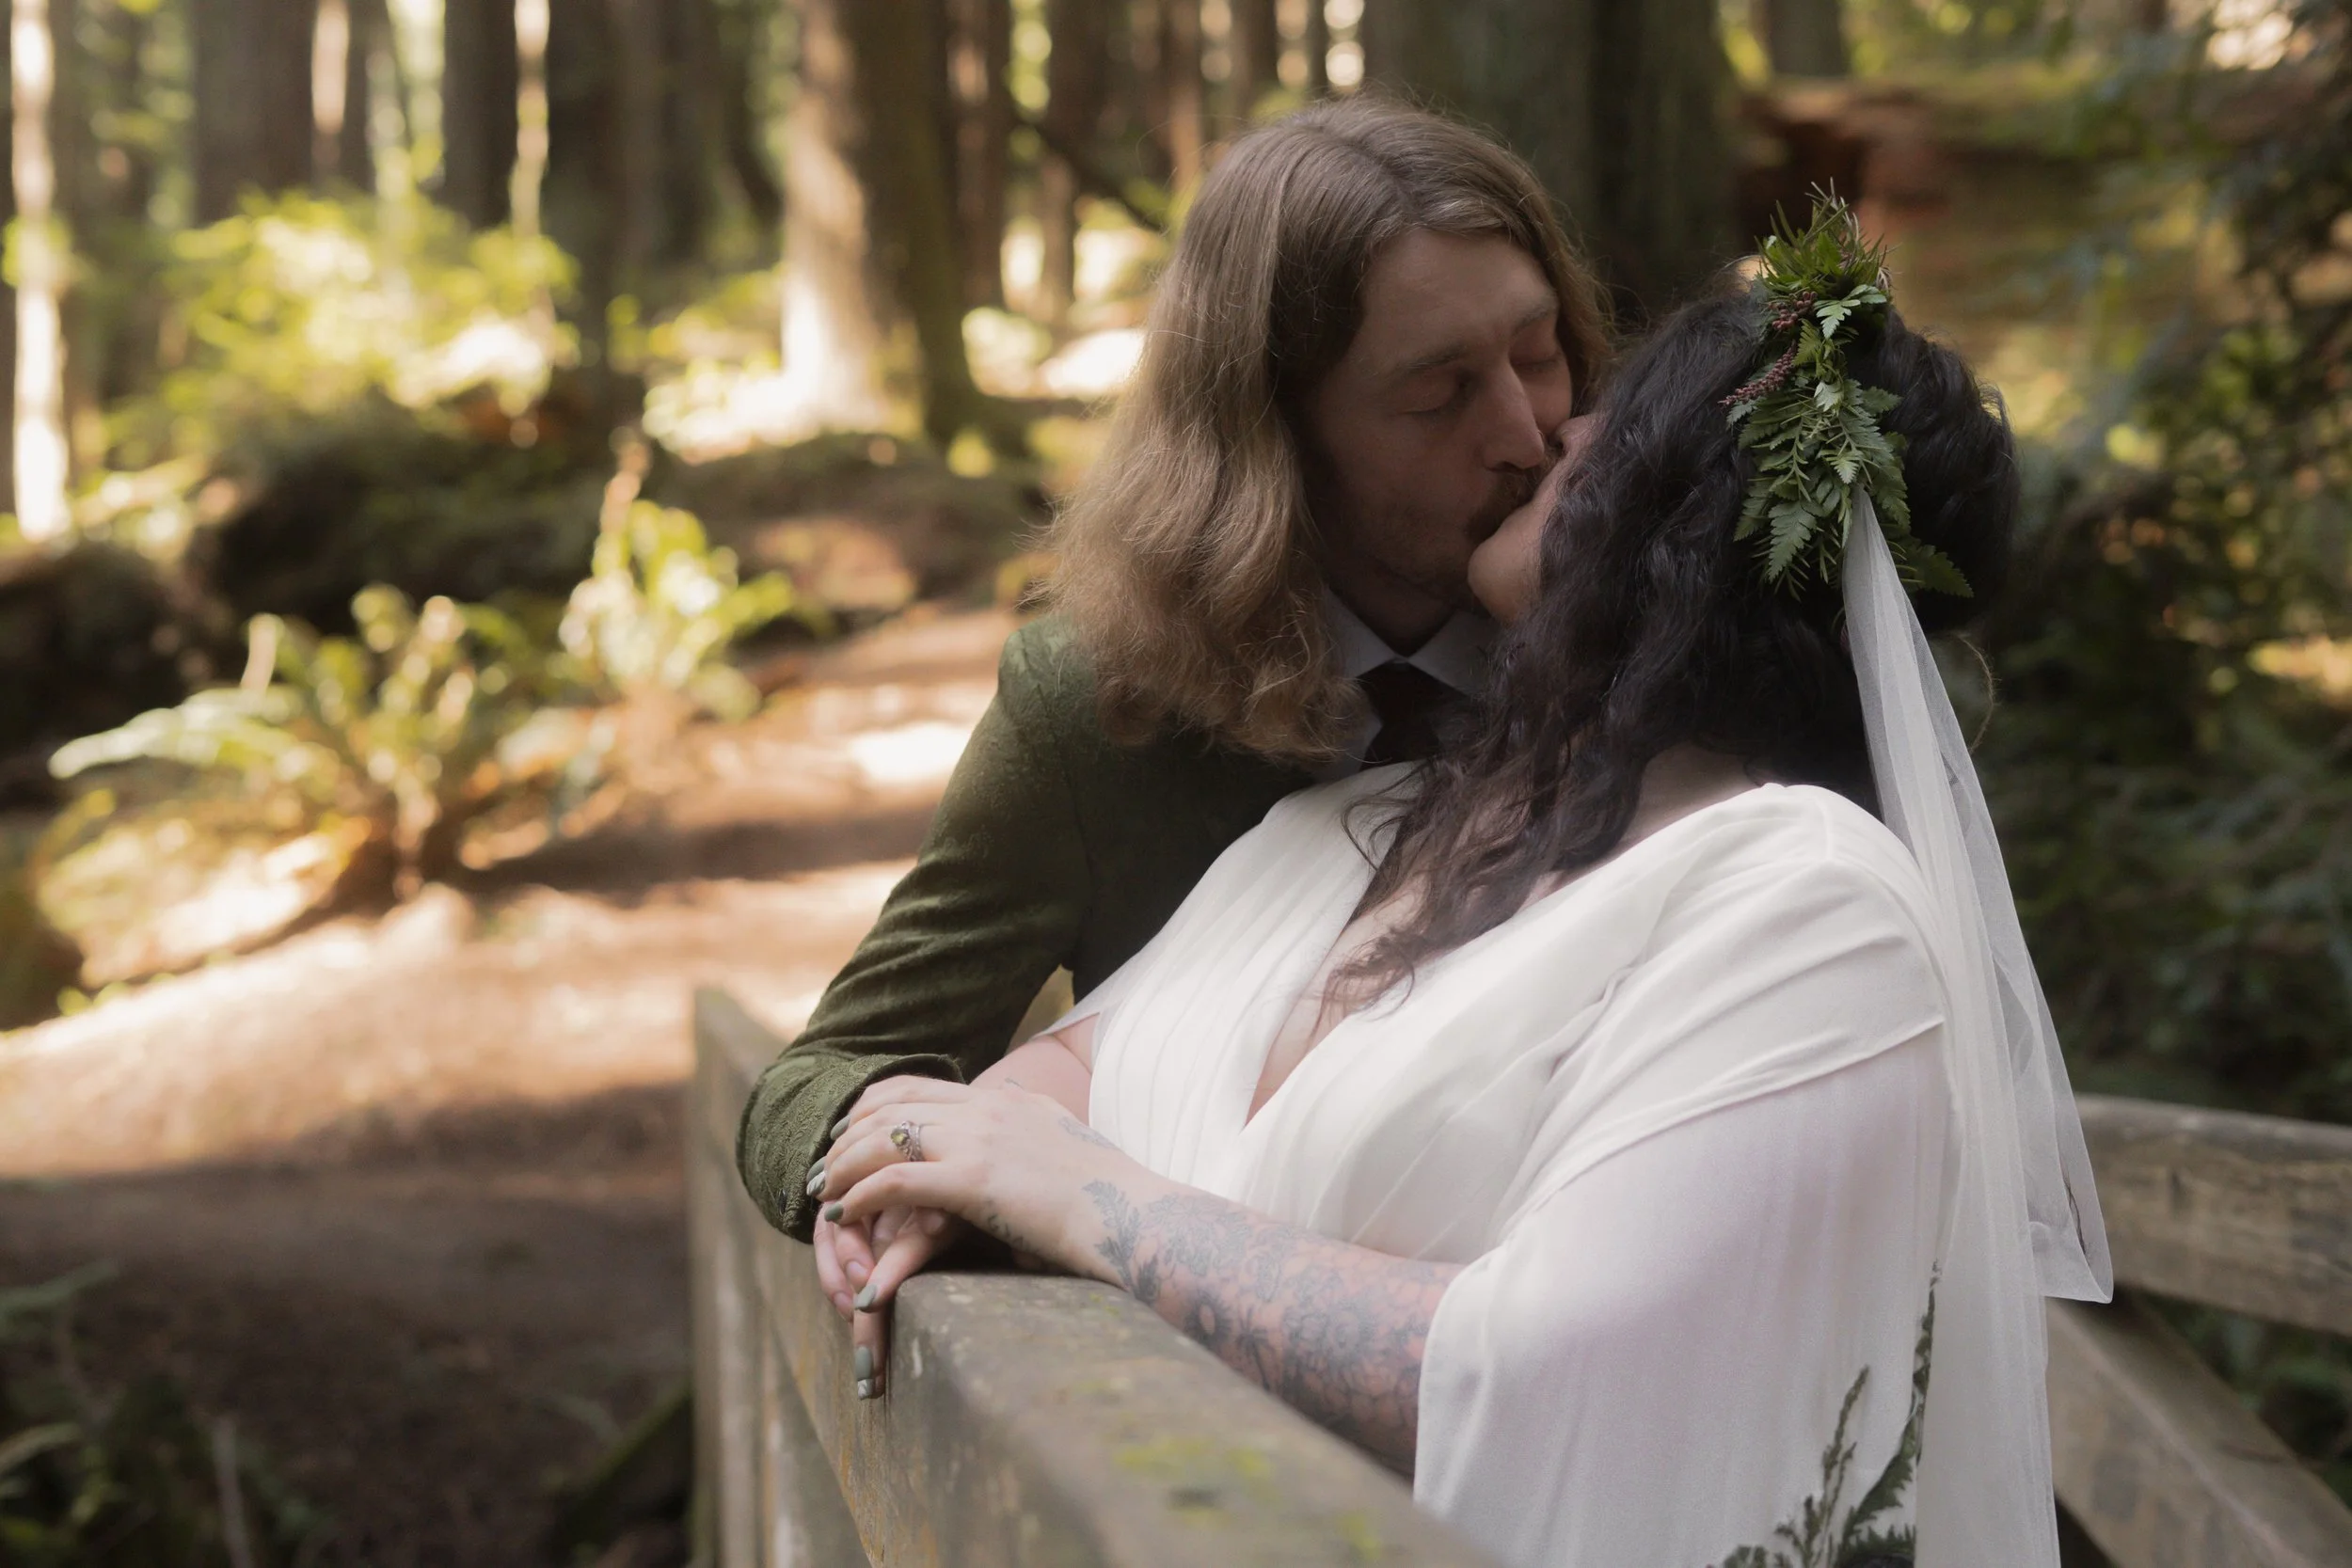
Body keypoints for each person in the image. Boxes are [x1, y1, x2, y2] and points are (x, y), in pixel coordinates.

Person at [808, 206, 2112, 1567]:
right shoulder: (1362, 823)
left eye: (1609, 430)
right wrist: (933, 1152)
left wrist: (1091, 1205)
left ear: (1681, 524)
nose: (1556, 433)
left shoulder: (1809, 912)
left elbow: (1559, 1376)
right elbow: (1083, 1066)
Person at [734, 98, 1610, 1334]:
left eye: (1538, 351)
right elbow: (809, 1084)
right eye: (1437, 394)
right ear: (1274, 434)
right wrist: (913, 1159)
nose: (1522, 434)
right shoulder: (1106, 708)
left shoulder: (1651, 651)